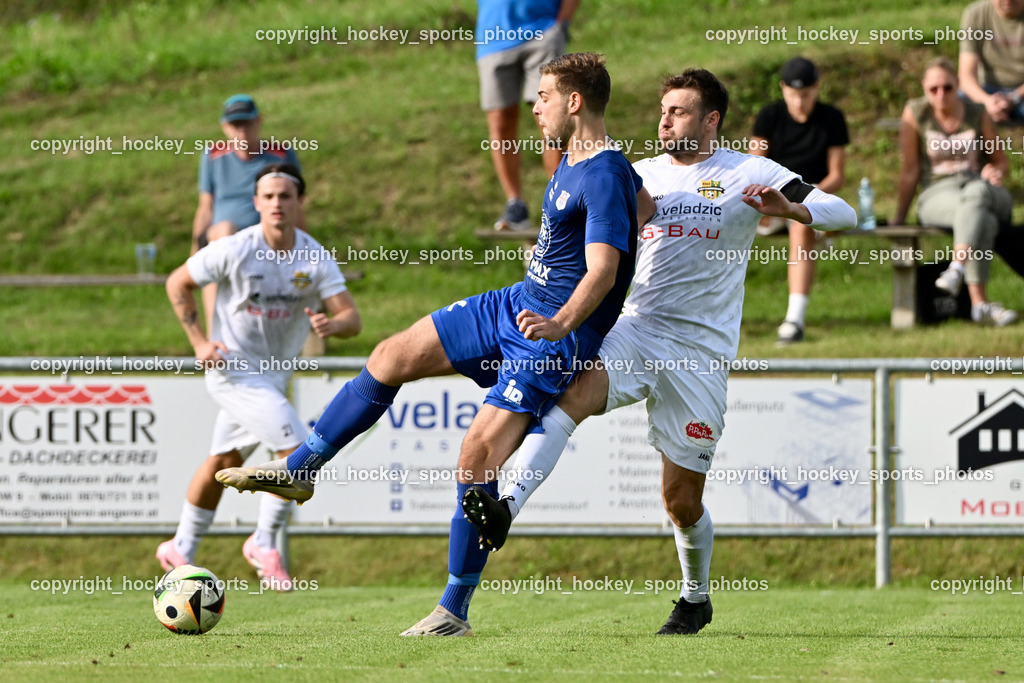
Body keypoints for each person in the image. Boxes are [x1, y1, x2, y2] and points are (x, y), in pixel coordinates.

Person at [217, 52, 653, 634]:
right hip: (516, 304)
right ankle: (302, 467)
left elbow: (602, 269)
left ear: (575, 102)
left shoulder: (601, 172)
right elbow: (645, 210)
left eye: (544, 95)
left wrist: (565, 324)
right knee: (389, 356)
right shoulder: (586, 163)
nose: (534, 104)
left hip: (547, 338)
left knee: (476, 458)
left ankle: (454, 610)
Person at [460, 68, 857, 635]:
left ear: (710, 120)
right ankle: (506, 504)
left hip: (700, 354)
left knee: (680, 500)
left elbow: (847, 213)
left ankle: (696, 597)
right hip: (639, 330)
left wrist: (791, 209)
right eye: (663, 109)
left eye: (679, 111)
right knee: (574, 393)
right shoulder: (637, 173)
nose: (664, 119)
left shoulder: (749, 171)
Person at [157, 163, 362, 590]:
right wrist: (198, 341)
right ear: (256, 203)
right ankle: (264, 542)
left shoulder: (313, 256)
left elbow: (352, 317)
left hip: (272, 379)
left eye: (285, 196)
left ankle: (181, 545)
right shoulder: (235, 248)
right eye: (267, 197)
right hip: (232, 371)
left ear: (299, 202)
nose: (276, 204)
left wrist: (332, 325)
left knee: (226, 460)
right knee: (297, 450)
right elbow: (177, 283)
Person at [893, 57, 1016, 326]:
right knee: (982, 217)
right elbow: (911, 170)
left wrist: (994, 172)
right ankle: (980, 305)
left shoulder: (976, 112)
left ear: (958, 86)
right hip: (938, 193)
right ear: (924, 89)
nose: (940, 94)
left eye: (947, 88)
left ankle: (957, 268)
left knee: (977, 194)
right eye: (933, 89)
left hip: (983, 188)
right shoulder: (916, 113)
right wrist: (898, 219)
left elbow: (1001, 161)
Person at [750, 57, 849, 344]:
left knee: (801, 223)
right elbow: (754, 168)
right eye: (793, 94)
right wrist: (772, 202)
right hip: (769, 201)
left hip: (812, 198)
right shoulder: (768, 116)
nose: (799, 102)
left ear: (817, 88)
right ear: (782, 89)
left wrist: (805, 199)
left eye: (805, 94)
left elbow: (837, 175)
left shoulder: (832, 118)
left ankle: (794, 319)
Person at [478, 0, 578, 230]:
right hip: (492, 37)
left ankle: (561, 201)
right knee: (500, 123)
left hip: (542, 30)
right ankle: (515, 206)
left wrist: (561, 23)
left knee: (552, 118)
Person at [958, 0, 1024, 124]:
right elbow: (966, 76)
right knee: (951, 100)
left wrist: (1013, 98)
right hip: (987, 90)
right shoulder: (975, 14)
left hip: (1021, 94)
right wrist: (987, 102)